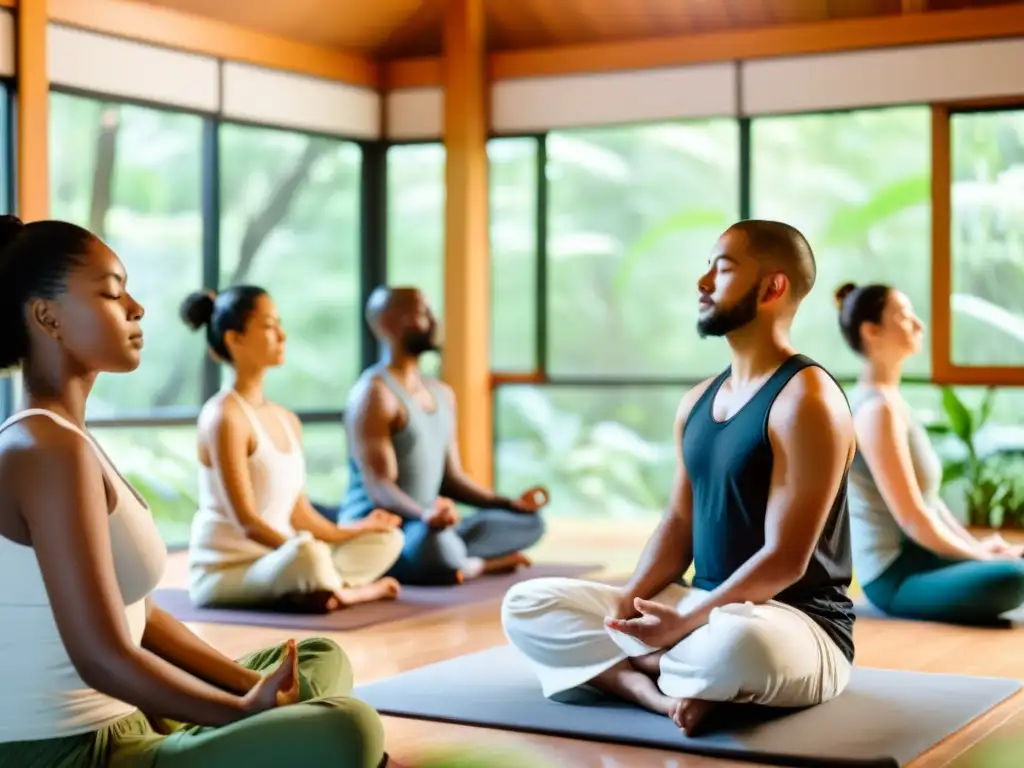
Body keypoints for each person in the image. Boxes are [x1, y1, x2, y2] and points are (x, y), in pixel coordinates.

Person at [0, 215, 392, 767]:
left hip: (131, 717)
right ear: (48, 317)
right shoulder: (43, 449)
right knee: (348, 728)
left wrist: (251, 689)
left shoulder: (69, 439)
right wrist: (243, 713)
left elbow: (141, 617)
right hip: (75, 752)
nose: (137, 308)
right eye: (113, 294)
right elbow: (101, 657)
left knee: (317, 658)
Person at [502, 220, 856, 735]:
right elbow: (678, 522)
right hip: (698, 610)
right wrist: (628, 602)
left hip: (793, 625)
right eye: (707, 266)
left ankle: (647, 670)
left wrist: (683, 624)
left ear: (773, 287)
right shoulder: (696, 403)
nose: (703, 282)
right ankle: (651, 689)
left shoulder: (807, 400)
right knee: (527, 604)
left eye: (724, 268)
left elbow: (785, 559)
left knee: (737, 646)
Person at [181, 286, 405, 612]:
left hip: (282, 560)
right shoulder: (223, 416)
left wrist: (352, 531)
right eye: (270, 325)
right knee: (308, 555)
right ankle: (343, 591)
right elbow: (247, 523)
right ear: (234, 339)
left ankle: (322, 588)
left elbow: (298, 512)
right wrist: (306, 547)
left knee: (388, 538)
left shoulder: (286, 419)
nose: (282, 335)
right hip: (230, 570)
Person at [835, 282, 1024, 624]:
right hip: (897, 575)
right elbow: (913, 519)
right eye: (904, 317)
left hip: (924, 557)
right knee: (1013, 577)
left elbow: (929, 503)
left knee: (1014, 562)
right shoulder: (875, 411)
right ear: (871, 330)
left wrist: (979, 548)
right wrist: (981, 559)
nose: (918, 325)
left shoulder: (891, 402)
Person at [338, 286, 548, 586]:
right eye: (423, 313)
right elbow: (380, 488)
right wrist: (425, 516)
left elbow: (452, 478)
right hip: (386, 529)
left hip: (432, 524)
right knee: (430, 545)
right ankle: (472, 563)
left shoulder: (442, 393)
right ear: (389, 324)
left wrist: (508, 503)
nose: (434, 321)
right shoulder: (374, 394)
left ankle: (456, 559)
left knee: (530, 523)